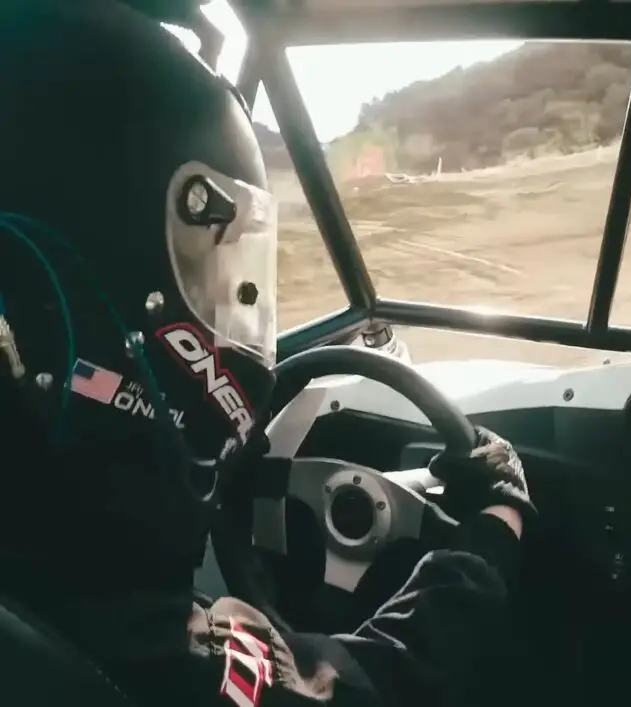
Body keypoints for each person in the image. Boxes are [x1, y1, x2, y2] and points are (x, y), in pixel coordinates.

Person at [0, 2, 535, 707]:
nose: (231, 321)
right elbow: (374, 680)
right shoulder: (151, 653)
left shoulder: (59, 582)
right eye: (215, 266)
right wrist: (493, 529)